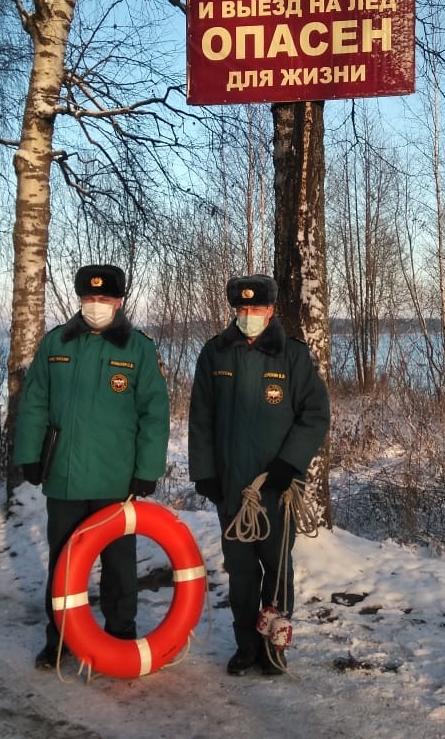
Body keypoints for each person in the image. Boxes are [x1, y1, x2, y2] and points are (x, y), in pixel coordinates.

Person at [14, 263, 170, 670]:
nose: (96, 305)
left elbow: (154, 413)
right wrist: (29, 455)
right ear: (80, 299)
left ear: (119, 301)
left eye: (104, 299)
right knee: (64, 566)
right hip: (64, 478)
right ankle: (60, 640)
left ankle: (120, 639)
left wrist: (147, 469)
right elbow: (34, 403)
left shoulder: (138, 348)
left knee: (119, 566)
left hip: (115, 481)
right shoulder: (55, 344)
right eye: (89, 298)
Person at [188, 274, 330, 676]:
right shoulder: (215, 354)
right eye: (242, 309)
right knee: (242, 571)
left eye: (257, 309)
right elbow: (200, 418)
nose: (248, 315)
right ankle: (246, 645)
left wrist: (291, 462)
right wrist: (205, 472)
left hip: (278, 487)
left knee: (277, 569)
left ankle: (274, 646)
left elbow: (315, 415)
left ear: (271, 310)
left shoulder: (293, 356)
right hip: (232, 487)